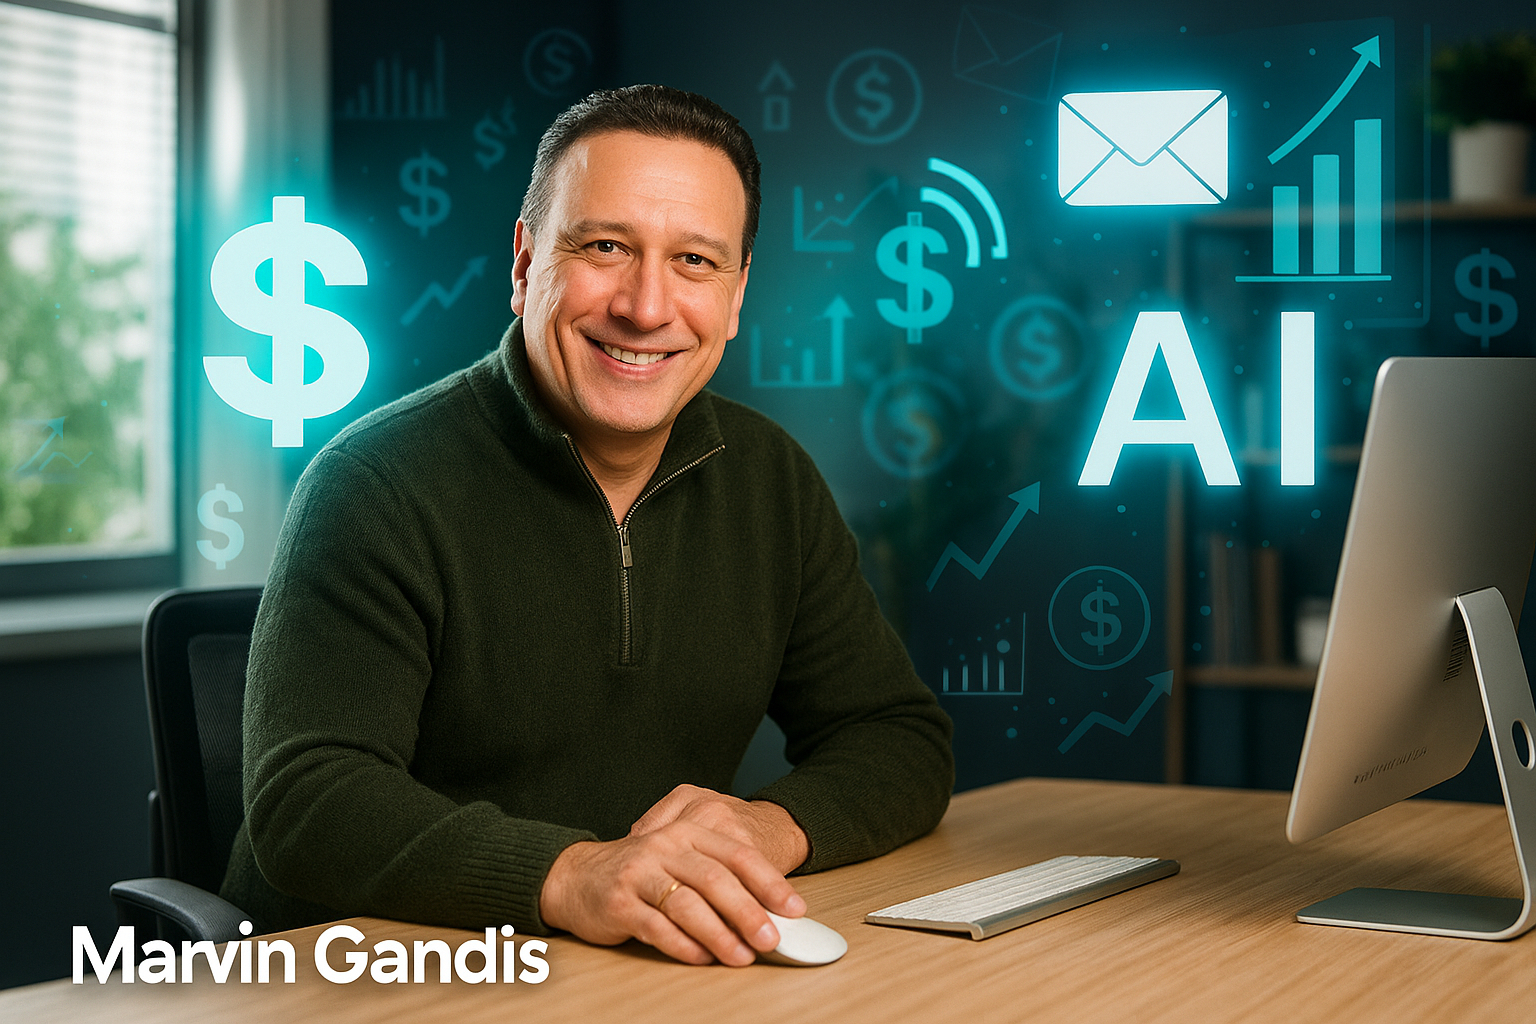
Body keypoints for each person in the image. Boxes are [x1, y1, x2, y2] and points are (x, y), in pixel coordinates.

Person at [222, 84, 954, 967]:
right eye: (606, 246)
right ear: (527, 262)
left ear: (736, 294)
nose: (646, 307)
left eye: (695, 261)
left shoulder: (771, 481)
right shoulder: (373, 483)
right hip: (358, 973)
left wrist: (770, 827)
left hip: (622, 970)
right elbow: (309, 804)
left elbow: (899, 739)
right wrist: (572, 876)